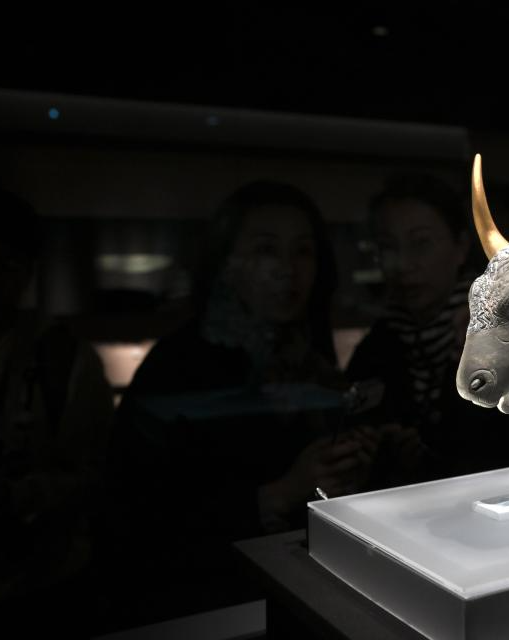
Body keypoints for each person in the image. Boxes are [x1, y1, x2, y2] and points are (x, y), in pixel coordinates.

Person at [102, 181, 378, 628]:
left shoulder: (311, 359)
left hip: (304, 598)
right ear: (226, 262)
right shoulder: (176, 365)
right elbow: (135, 514)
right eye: (267, 250)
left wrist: (350, 466)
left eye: (303, 251)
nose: (288, 269)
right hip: (201, 610)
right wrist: (279, 493)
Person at [0, 188, 114, 638]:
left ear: (28, 272)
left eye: (4, 266)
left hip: (45, 590)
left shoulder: (67, 361)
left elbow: (99, 473)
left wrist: (27, 497)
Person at [347, 174, 509, 487]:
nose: (402, 264)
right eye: (388, 247)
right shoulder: (377, 345)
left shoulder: (502, 331)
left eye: (421, 244)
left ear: (460, 247)